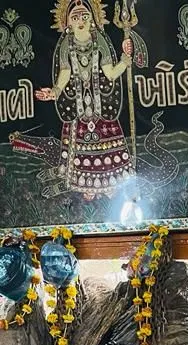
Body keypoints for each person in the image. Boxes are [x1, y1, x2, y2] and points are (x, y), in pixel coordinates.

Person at [34, 0, 134, 199]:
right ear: (68, 22)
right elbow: (64, 74)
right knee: (80, 146)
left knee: (107, 144)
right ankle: (86, 186)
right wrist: (53, 92)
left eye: (85, 16)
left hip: (101, 106)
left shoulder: (100, 42)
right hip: (78, 108)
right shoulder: (66, 45)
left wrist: (125, 58)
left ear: (94, 20)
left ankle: (109, 183)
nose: (81, 20)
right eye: (75, 17)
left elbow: (111, 74)